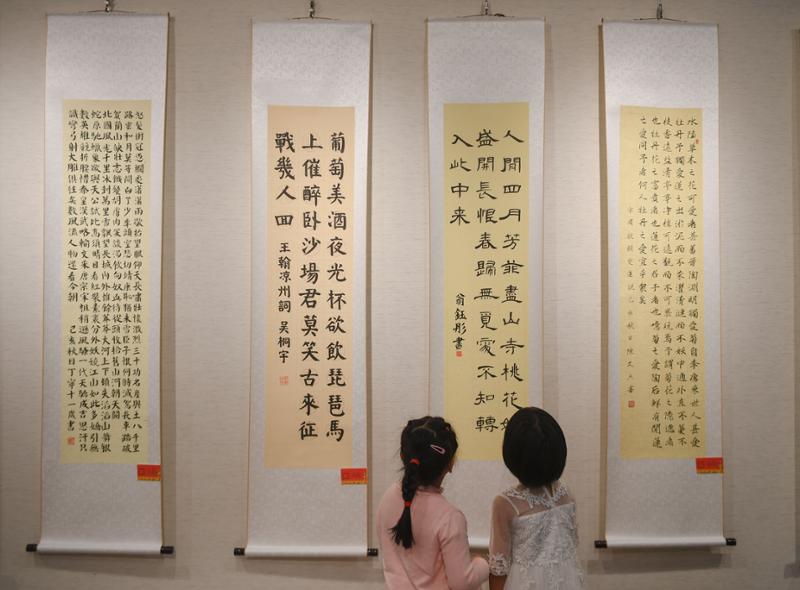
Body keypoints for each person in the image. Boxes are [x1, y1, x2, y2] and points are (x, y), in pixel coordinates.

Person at [377, 416, 489, 590]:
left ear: (402, 456)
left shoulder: (388, 497)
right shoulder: (450, 517)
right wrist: (483, 564)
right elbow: (461, 583)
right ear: (450, 463)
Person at [488, 407, 583, 590]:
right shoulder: (566, 494)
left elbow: (499, 568)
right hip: (568, 580)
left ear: (512, 454)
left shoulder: (505, 503)